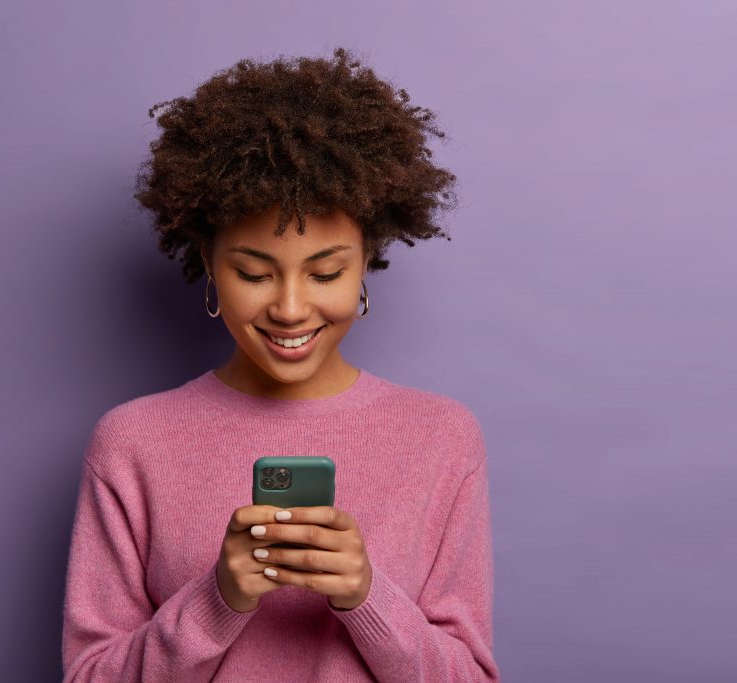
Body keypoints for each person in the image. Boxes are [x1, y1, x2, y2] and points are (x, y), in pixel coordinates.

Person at [61, 47, 500, 682]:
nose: (291, 308)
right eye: (253, 273)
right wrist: (218, 600)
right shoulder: (131, 444)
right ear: (209, 264)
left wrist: (367, 598)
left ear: (366, 262)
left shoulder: (443, 437)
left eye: (326, 272)